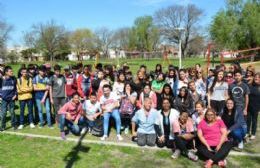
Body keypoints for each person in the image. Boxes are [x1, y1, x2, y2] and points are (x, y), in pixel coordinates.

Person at [0, 66, 17, 131]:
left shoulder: (13, 79)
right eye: (10, 71)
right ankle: (3, 126)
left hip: (11, 99)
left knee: (12, 112)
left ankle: (14, 124)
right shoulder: (1, 80)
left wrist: (15, 95)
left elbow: (15, 88)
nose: (12, 72)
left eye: (12, 71)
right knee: (3, 113)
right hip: (4, 100)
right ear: (6, 72)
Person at [247, 72, 260, 140]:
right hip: (249, 106)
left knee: (254, 120)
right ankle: (247, 132)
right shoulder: (250, 85)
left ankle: (253, 133)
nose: (256, 78)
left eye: (258, 77)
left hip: (256, 107)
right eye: (255, 77)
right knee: (248, 120)